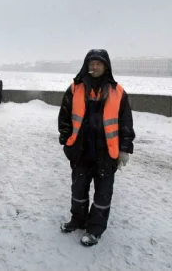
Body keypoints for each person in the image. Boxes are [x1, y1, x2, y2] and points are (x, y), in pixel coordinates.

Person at [58, 49, 135, 246]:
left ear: (106, 66)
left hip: (106, 153)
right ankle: (78, 220)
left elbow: (126, 122)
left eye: (98, 63)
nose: (94, 67)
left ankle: (95, 229)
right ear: (86, 65)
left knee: (103, 195)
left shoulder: (118, 91)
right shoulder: (75, 88)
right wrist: (67, 142)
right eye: (91, 63)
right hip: (80, 151)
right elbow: (65, 116)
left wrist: (125, 148)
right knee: (78, 190)